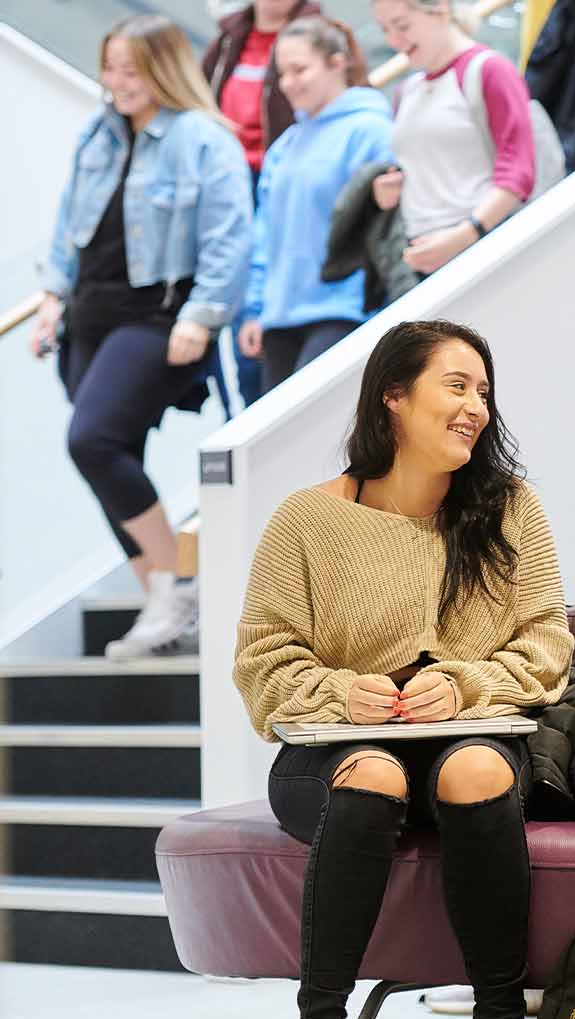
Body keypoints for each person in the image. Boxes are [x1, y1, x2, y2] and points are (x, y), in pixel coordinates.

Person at [234, 319, 572, 1019]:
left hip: (472, 743)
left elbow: (548, 643)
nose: (476, 407)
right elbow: (262, 660)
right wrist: (336, 692)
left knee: (477, 772)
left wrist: (463, 683)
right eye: (456, 386)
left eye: (484, 391)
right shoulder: (307, 520)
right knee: (375, 775)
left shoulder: (512, 508)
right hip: (337, 756)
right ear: (393, 396)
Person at [30, 14, 251, 660]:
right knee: (105, 455)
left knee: (91, 439)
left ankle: (179, 586)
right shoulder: (97, 134)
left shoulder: (202, 139)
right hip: (89, 316)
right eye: (111, 68)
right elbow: (71, 222)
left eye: (131, 69)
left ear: (163, 68)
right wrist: (50, 298)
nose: (117, 82)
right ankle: (161, 600)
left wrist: (202, 315)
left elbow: (229, 235)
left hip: (159, 315)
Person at [237, 15, 392, 393]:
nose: (288, 84)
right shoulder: (285, 147)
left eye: (299, 70)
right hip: (281, 317)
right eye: (281, 74)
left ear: (336, 63)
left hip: (345, 311)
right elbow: (265, 235)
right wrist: (256, 309)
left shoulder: (370, 130)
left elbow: (384, 228)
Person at [203, 0, 327, 405]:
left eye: (299, 71)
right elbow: (195, 100)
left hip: (282, 180)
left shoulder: (316, 33)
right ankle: (249, 419)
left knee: (269, 315)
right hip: (228, 186)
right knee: (240, 312)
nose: (291, 80)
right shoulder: (228, 38)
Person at [372, 0, 536, 276]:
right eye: (385, 30)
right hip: (422, 256)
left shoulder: (489, 70)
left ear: (440, 9)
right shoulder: (407, 91)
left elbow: (518, 170)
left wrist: (468, 232)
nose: (394, 40)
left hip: (483, 249)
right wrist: (390, 187)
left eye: (402, 26)